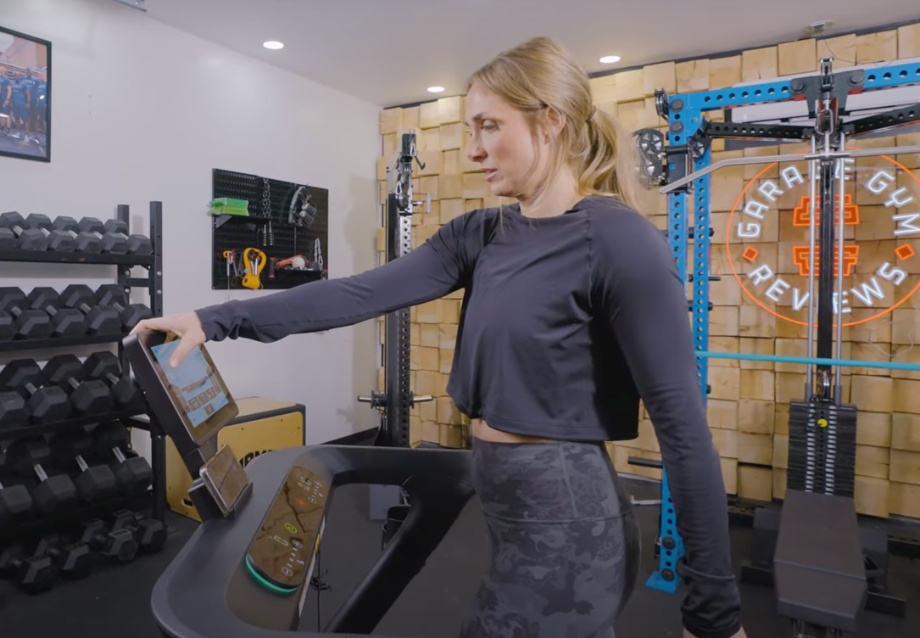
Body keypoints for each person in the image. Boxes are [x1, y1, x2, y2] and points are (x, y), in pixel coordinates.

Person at [133, 36, 746, 638]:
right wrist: (214, 320)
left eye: (488, 126)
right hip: (509, 509)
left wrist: (713, 617)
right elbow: (359, 293)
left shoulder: (617, 241)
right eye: (467, 129)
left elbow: (685, 434)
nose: (472, 149)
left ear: (551, 121)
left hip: (568, 518)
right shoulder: (481, 234)